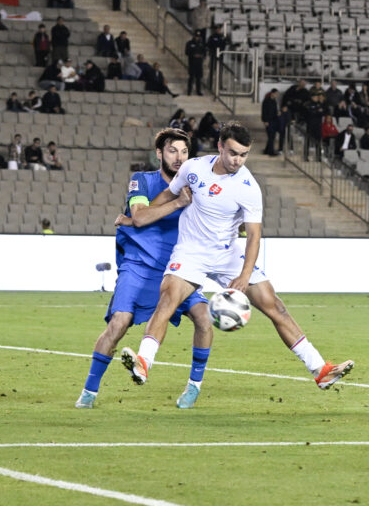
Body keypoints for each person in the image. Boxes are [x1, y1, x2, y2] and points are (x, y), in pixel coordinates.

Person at [117, 122, 354, 404]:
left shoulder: (248, 187)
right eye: (233, 153)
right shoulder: (193, 168)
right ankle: (144, 362)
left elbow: (254, 235)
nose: (237, 160)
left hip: (227, 253)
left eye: (243, 155)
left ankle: (320, 370)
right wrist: (142, 214)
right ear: (220, 146)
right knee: (167, 298)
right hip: (191, 251)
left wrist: (243, 276)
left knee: (274, 305)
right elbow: (169, 194)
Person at [75, 128, 212, 409]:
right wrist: (176, 203)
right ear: (159, 154)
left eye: (185, 152)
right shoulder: (142, 181)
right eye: (173, 151)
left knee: (204, 318)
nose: (179, 157)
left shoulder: (195, 188)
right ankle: (89, 392)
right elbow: (138, 217)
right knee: (118, 324)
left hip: (176, 268)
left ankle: (194, 387)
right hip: (138, 266)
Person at [185, 30, 205, 96]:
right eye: (196, 36)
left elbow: (204, 52)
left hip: (199, 63)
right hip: (192, 63)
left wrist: (201, 56)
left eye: (198, 37)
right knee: (191, 77)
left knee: (198, 78)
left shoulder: (201, 44)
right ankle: (189, 90)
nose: (197, 38)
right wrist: (193, 55)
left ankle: (198, 91)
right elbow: (187, 52)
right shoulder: (189, 43)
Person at [262, 89, 280, 156]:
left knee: (272, 136)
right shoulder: (266, 101)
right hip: (268, 121)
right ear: (273, 93)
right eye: (276, 94)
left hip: (273, 121)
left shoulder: (274, 101)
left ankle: (267, 150)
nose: (277, 95)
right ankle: (271, 151)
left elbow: (274, 111)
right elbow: (264, 111)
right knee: (271, 136)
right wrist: (265, 121)